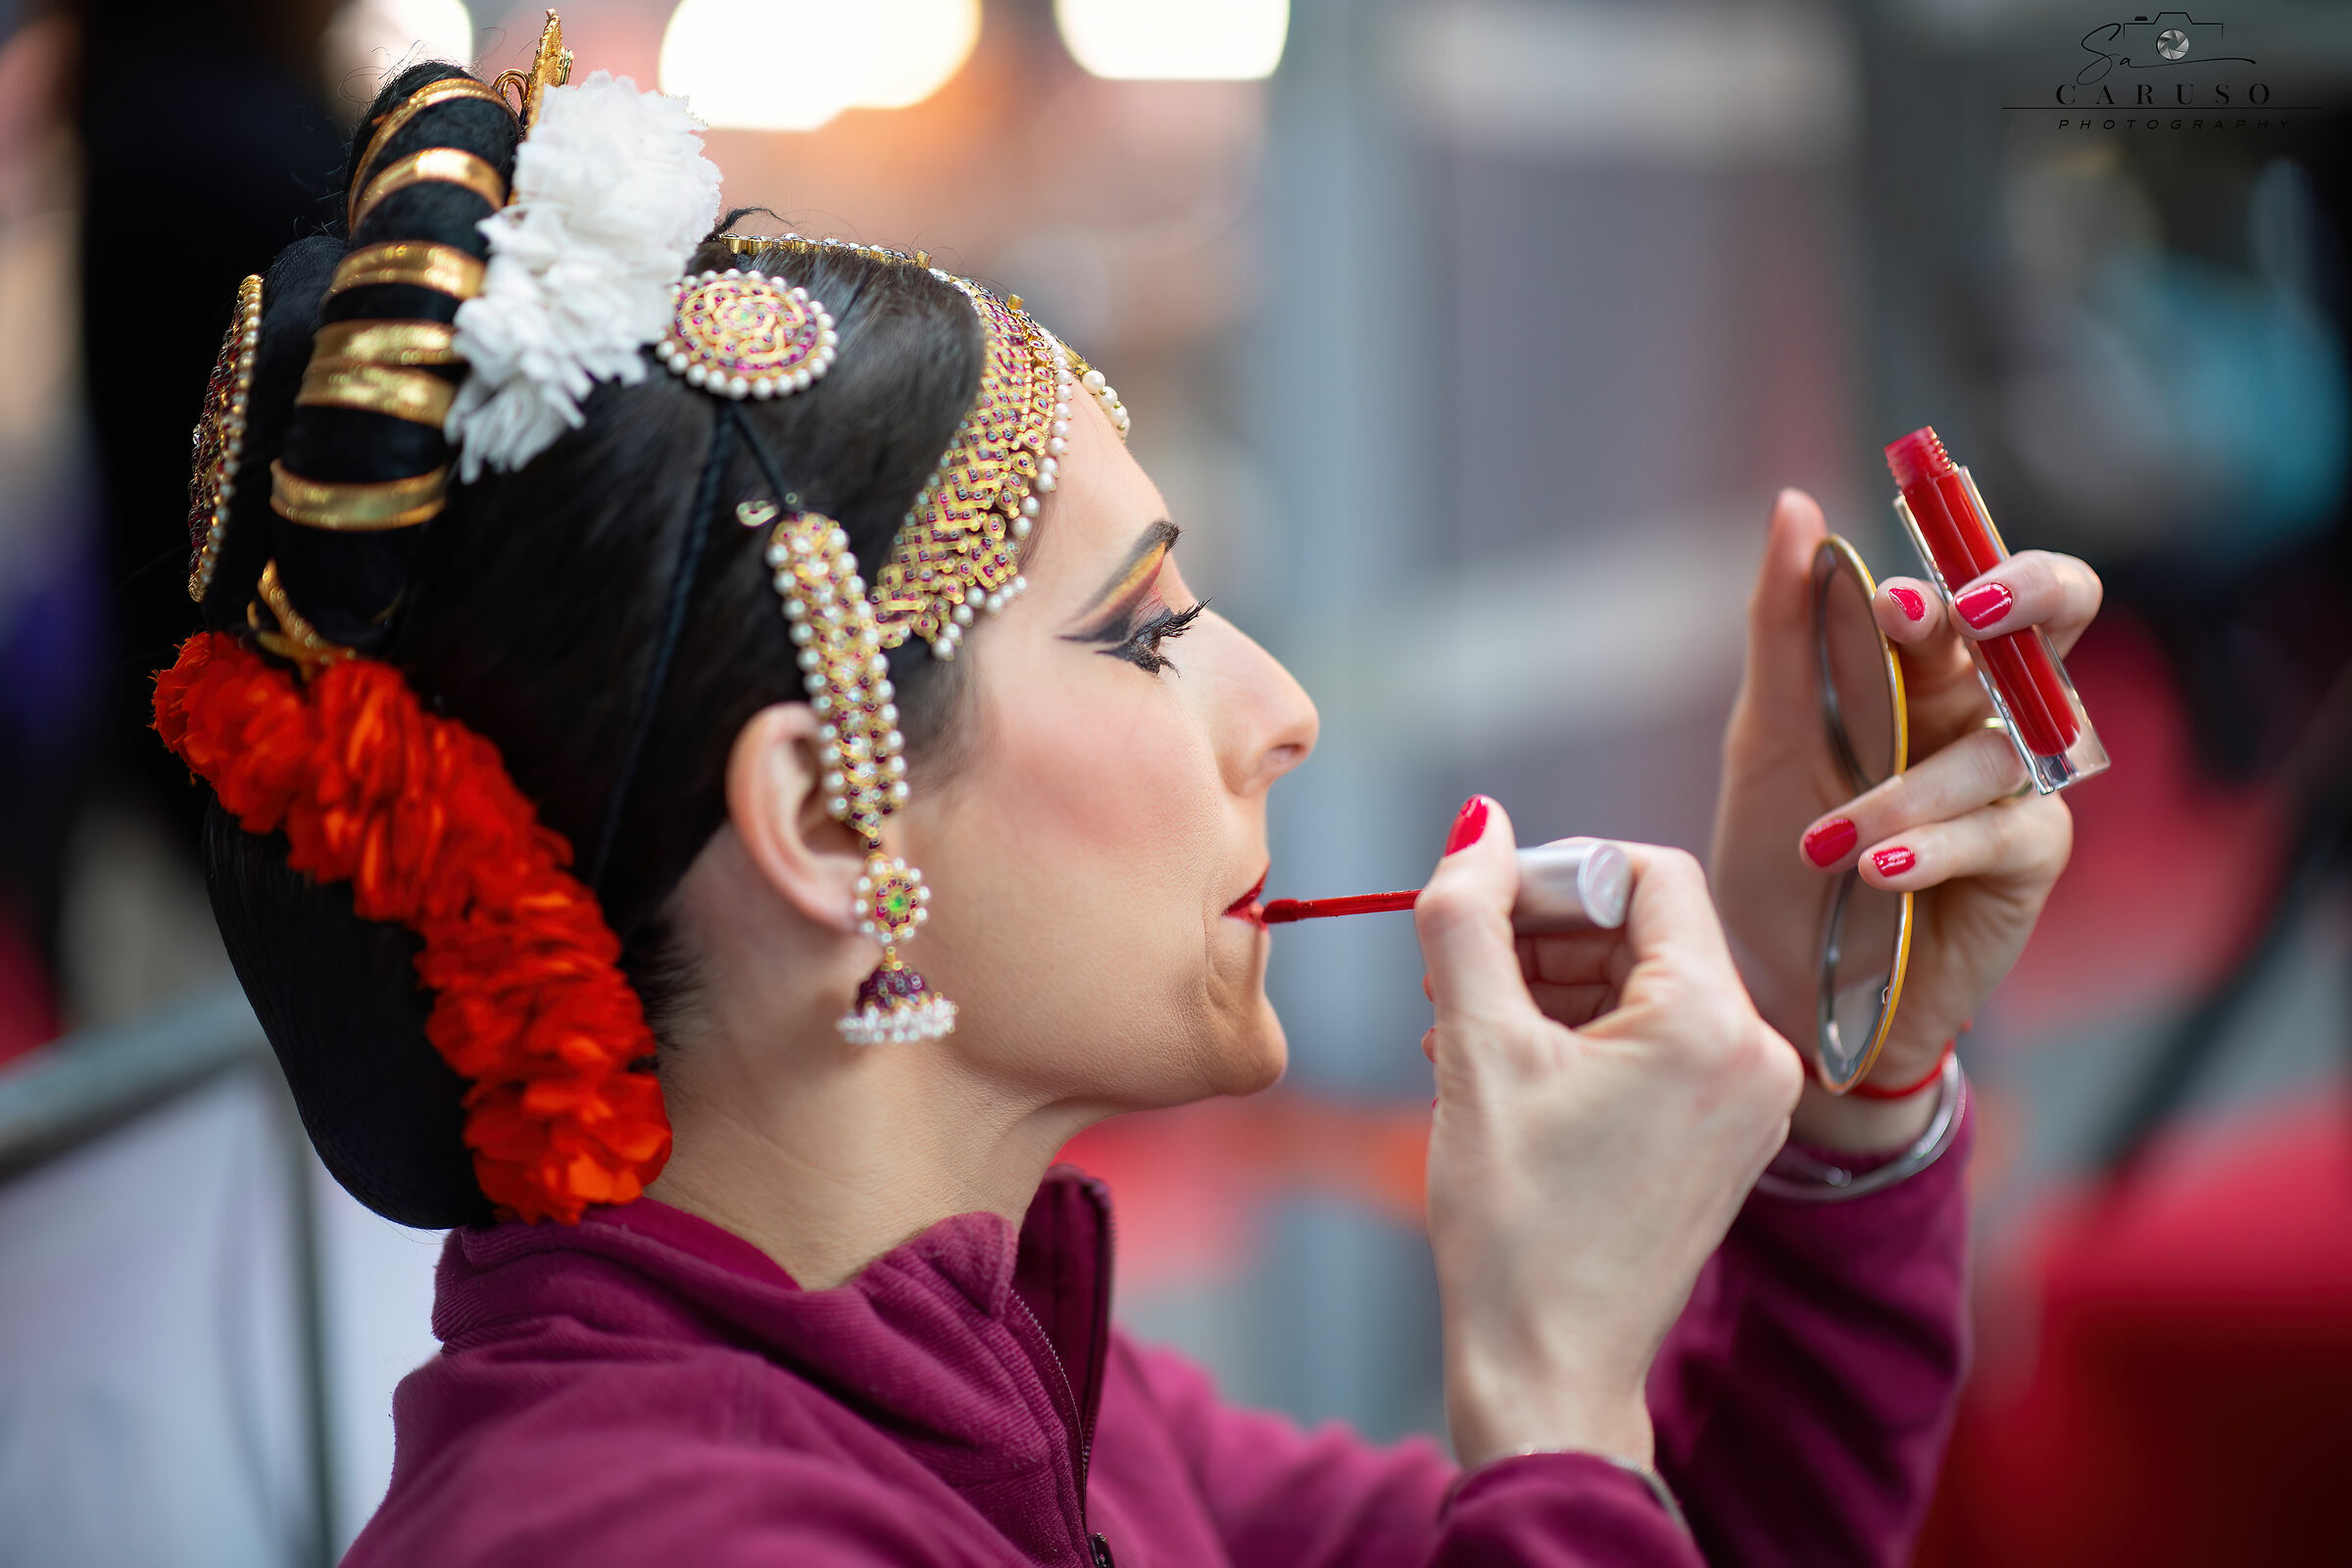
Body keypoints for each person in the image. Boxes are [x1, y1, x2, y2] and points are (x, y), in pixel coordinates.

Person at [161, 32, 2095, 1568]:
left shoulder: (1020, 1380)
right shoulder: (648, 1531)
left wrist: (1834, 1063)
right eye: (1147, 629)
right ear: (835, 817)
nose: (1285, 709)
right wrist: (1548, 1380)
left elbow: (1713, 1535)